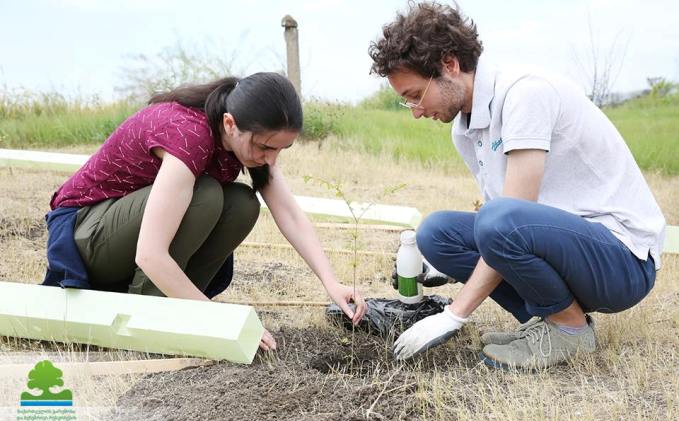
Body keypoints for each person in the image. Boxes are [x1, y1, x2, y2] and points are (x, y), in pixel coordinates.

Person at [369, 2, 666, 369]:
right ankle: (549, 320)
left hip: (622, 260)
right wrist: (442, 268)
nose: (414, 110)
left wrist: (454, 314)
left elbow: (510, 219)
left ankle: (569, 329)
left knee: (498, 220)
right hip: (564, 246)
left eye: (415, 94)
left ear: (449, 64)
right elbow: (506, 229)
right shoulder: (465, 130)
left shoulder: (524, 92)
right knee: (436, 234)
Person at [42, 72, 366, 351]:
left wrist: (331, 282)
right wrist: (219, 320)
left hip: (122, 238)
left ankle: (180, 310)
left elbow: (290, 215)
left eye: (281, 149)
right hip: (85, 233)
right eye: (265, 146)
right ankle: (149, 311)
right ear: (230, 123)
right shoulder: (189, 135)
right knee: (207, 194)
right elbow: (150, 255)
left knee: (242, 203)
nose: (270, 158)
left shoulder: (244, 140)